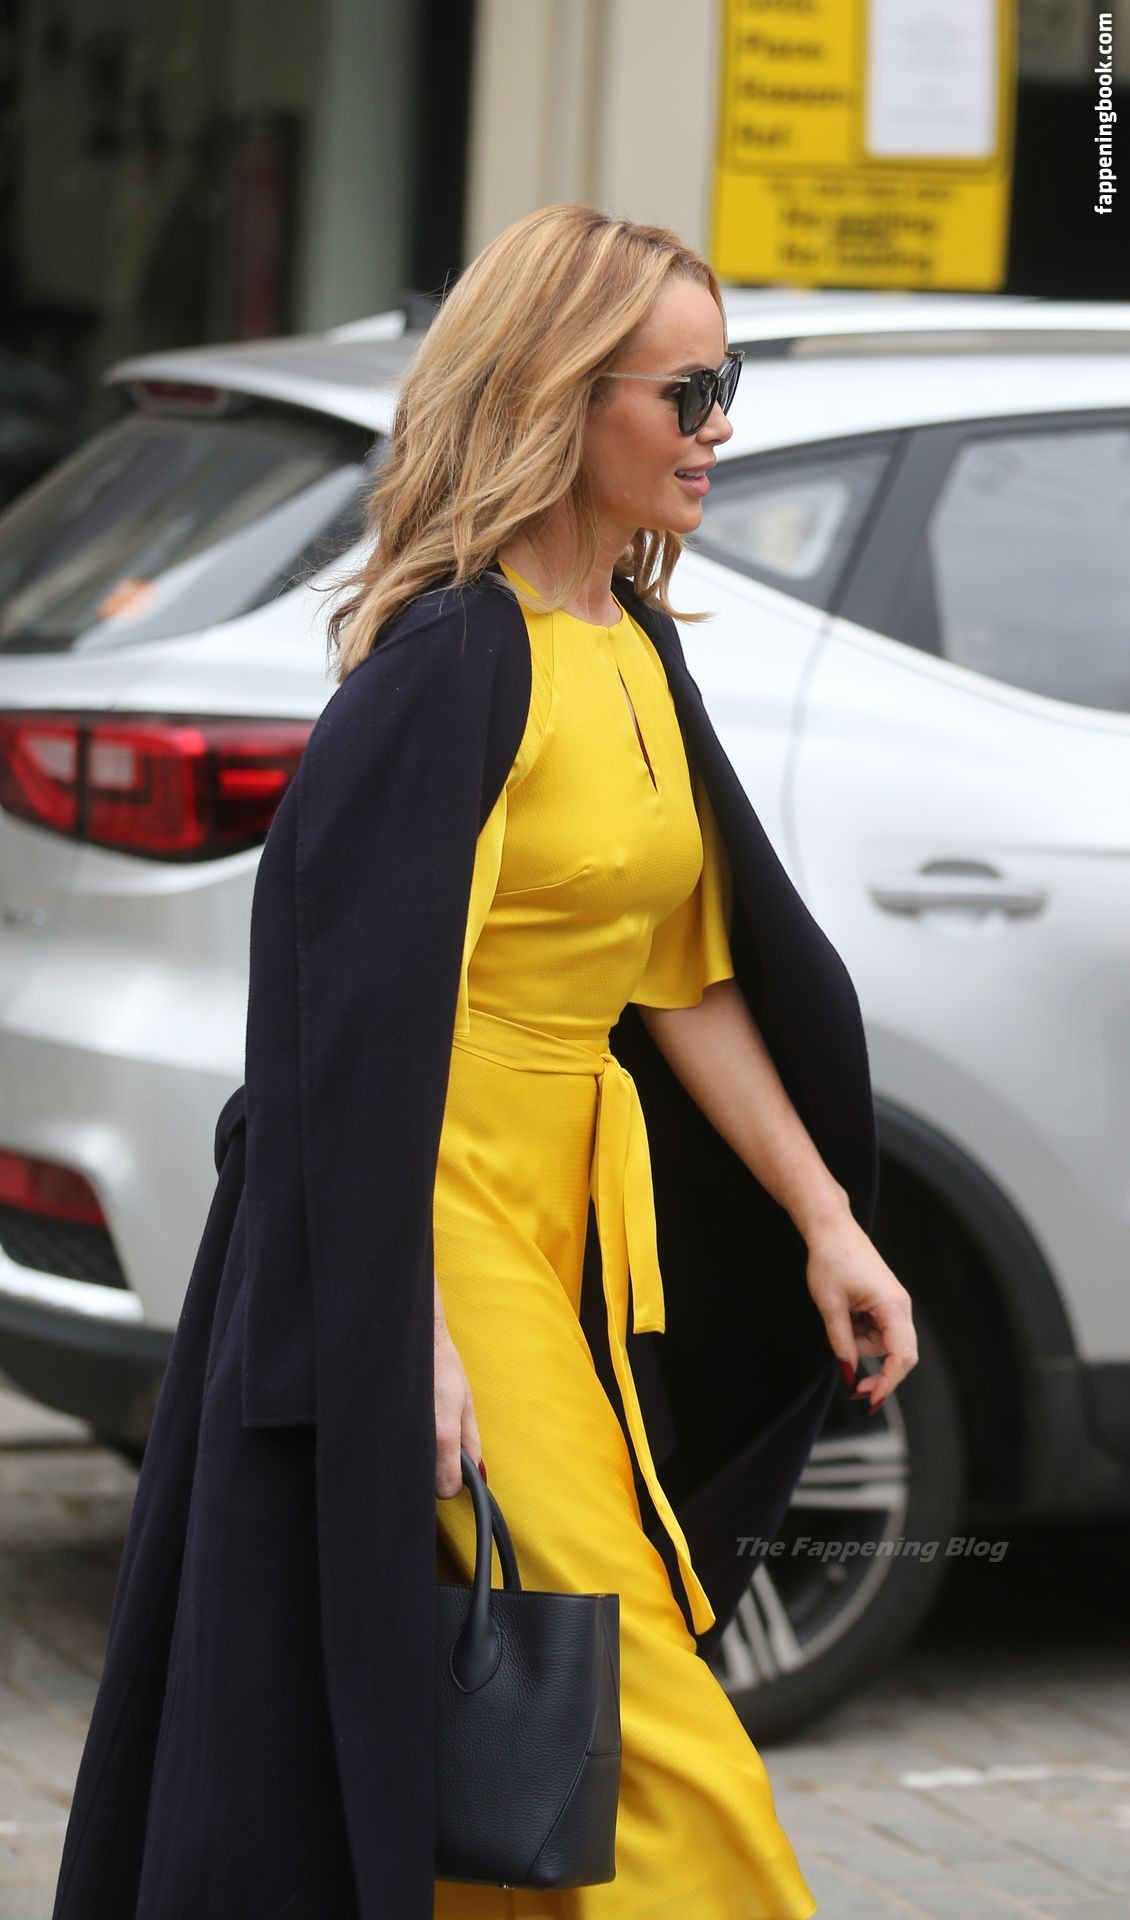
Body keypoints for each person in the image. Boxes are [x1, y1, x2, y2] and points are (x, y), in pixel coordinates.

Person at [52, 204, 917, 1920]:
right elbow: (343, 1040)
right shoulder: (452, 664)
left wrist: (827, 1219)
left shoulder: (633, 647)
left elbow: (683, 984)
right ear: (555, 395)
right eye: (685, 392)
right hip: (435, 1226)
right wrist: (402, 1322)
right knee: (637, 1723)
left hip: (570, 1232)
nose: (719, 426)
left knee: (524, 1702)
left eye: (724, 383)